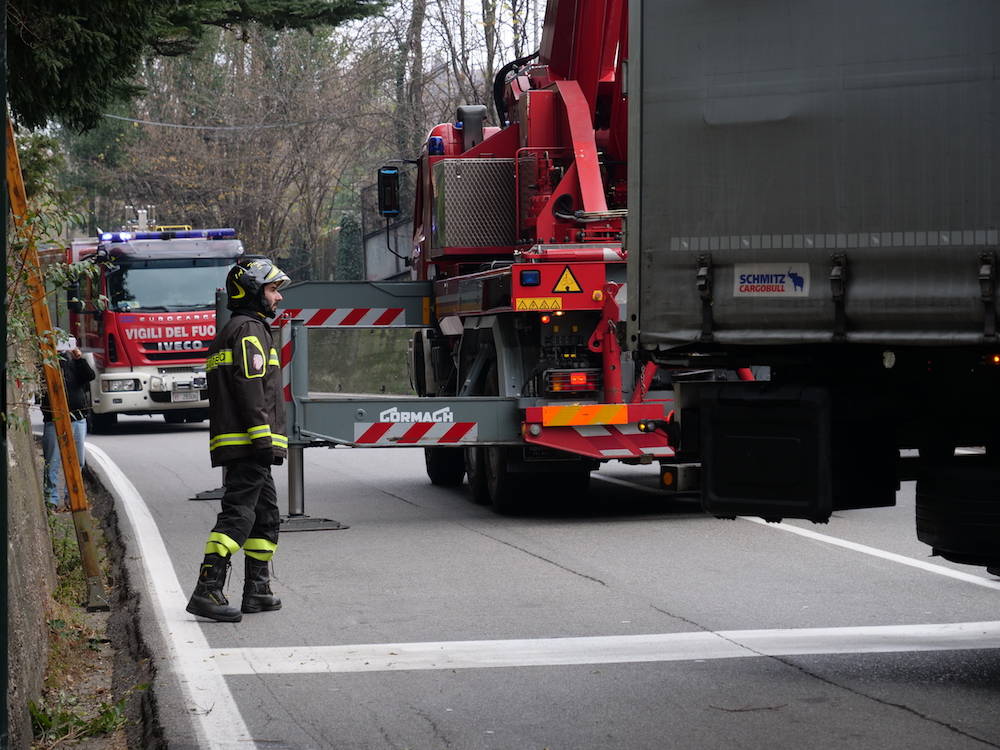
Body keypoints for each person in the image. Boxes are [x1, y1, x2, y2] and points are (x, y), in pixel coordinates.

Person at [186, 258, 291, 623]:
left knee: (265, 516)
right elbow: (250, 388)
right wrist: (265, 440)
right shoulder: (248, 330)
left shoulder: (238, 328)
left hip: (244, 443)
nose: (277, 298)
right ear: (252, 291)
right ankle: (207, 588)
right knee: (239, 515)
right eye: (272, 289)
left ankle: (257, 589)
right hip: (250, 444)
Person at [40, 333, 95, 511]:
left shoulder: (74, 363)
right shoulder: (45, 365)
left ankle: (73, 498)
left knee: (77, 460)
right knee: (52, 461)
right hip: (53, 420)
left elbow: (90, 376)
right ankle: (51, 500)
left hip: (78, 419)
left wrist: (78, 356)